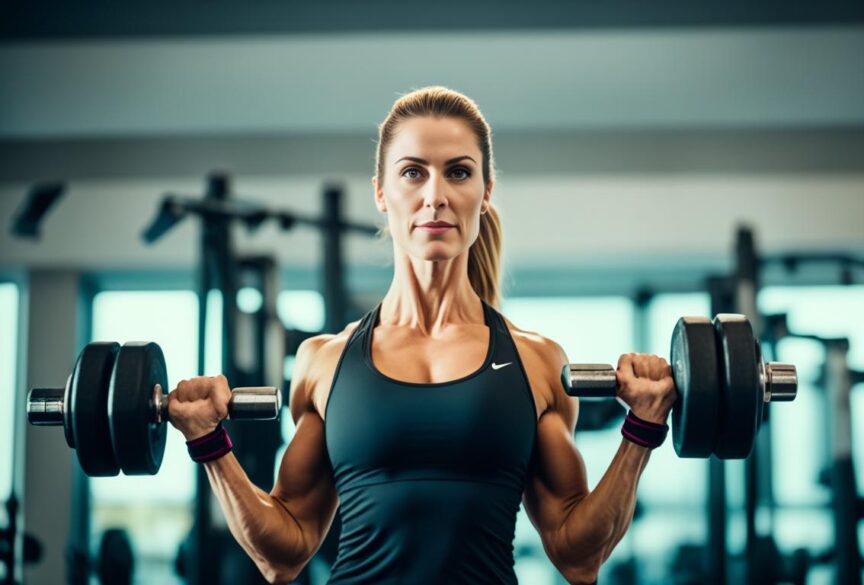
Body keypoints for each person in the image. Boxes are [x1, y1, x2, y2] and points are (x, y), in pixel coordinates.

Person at [168, 86, 676, 585]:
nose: (435, 196)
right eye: (413, 172)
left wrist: (644, 429)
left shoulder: (536, 361)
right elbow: (285, 553)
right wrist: (208, 441)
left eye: (458, 172)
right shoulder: (325, 361)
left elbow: (577, 556)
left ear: (486, 191)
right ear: (381, 193)